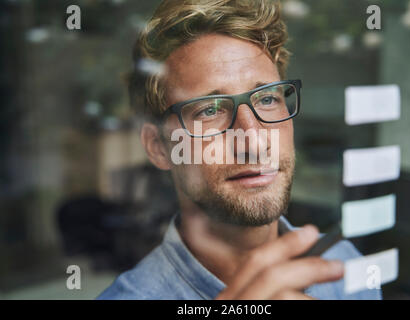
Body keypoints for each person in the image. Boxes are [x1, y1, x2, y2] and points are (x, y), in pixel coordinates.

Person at [98, 0, 381, 300]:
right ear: (158, 147)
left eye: (268, 99)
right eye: (209, 110)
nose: (255, 142)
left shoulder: (345, 265)